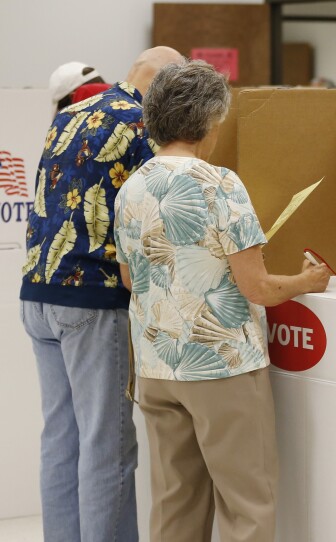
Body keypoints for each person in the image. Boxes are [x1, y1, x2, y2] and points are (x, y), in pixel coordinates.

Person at [114, 59, 331, 542]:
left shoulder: (130, 189)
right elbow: (257, 288)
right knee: (247, 503)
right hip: (222, 366)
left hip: (156, 365)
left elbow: (131, 278)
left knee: (175, 504)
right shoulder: (221, 185)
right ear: (210, 120)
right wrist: (304, 281)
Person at [20, 46, 183, 542]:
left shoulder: (67, 115)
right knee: (106, 443)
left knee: (61, 438)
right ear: (165, 86)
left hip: (37, 292)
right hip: (92, 297)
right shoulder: (142, 125)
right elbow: (156, 218)